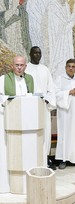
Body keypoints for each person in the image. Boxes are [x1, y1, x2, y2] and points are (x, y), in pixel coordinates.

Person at [0, 55, 34, 193]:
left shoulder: (29, 79)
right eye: (17, 65)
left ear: (25, 66)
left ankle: (25, 182)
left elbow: (33, 98)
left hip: (26, 123)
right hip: (8, 120)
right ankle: (6, 183)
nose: (19, 67)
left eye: (22, 65)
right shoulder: (3, 80)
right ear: (11, 65)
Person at [25, 46, 56, 170]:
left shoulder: (45, 70)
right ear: (30, 54)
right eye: (35, 53)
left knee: (45, 132)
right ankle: (31, 159)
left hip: (43, 106)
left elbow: (51, 88)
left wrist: (49, 99)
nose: (37, 55)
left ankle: (45, 159)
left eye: (39, 53)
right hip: (30, 108)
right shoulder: (26, 69)